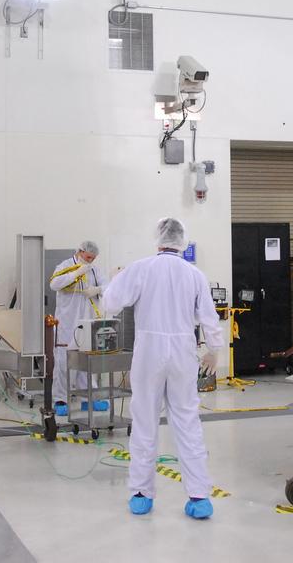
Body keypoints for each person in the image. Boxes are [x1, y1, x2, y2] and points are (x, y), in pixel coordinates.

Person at [102, 218, 222, 519]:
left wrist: (114, 279)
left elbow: (111, 304)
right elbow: (209, 316)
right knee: (187, 422)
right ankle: (199, 497)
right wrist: (214, 350)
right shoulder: (194, 274)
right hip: (183, 352)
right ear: (182, 241)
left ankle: (141, 493)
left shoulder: (141, 268)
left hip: (148, 353)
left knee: (144, 421)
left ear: (158, 239)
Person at [49, 241, 107, 417]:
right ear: (80, 252)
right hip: (66, 323)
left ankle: (89, 398)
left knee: (87, 360)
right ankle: (60, 399)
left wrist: (97, 289)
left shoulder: (95, 270)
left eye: (93, 258)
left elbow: (109, 287)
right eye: (88, 257)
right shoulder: (65, 266)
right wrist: (76, 273)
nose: (90, 261)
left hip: (87, 322)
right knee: (62, 361)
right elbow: (54, 284)